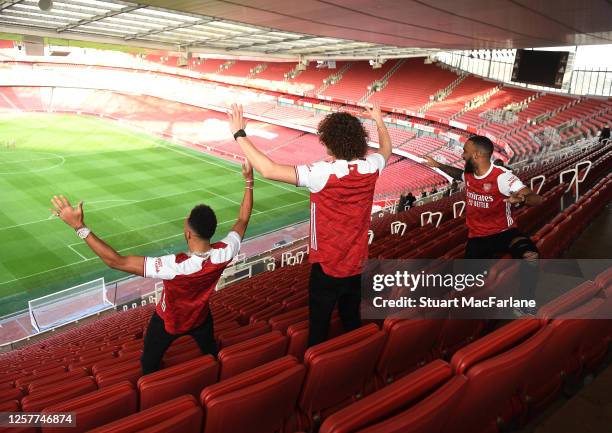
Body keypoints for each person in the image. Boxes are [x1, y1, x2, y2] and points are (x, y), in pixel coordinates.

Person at [50, 162, 254, 374]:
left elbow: (116, 261)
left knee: (148, 364)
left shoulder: (173, 266)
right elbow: (243, 218)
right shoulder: (225, 252)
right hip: (201, 318)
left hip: (168, 322)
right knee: (211, 352)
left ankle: (151, 384)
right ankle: (218, 371)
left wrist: (79, 227)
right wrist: (249, 181)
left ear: (188, 234)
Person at [227, 102, 391, 346]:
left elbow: (268, 169)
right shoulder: (370, 167)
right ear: (359, 140)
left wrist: (239, 134)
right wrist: (378, 121)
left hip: (326, 267)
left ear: (328, 142)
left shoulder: (322, 173)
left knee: (318, 328)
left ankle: (317, 366)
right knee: (351, 319)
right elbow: (387, 148)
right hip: (356, 264)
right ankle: (357, 353)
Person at [422, 135, 543, 315]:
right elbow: (459, 174)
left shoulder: (502, 177)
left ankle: (525, 302)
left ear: (477, 155)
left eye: (465, 152)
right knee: (468, 283)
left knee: (531, 256)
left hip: (505, 233)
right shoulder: (469, 174)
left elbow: (537, 199)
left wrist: (522, 198)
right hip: (477, 237)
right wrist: (438, 165)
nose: (462, 155)